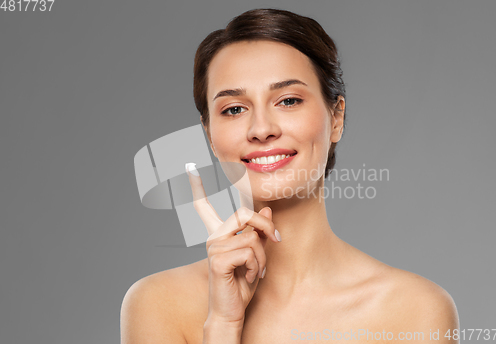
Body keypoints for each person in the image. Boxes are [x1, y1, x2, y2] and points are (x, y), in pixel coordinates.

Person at [121, 8, 459, 344]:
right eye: (234, 109)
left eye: (288, 100)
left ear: (336, 118)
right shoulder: (157, 304)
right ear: (209, 134)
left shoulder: (414, 311)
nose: (261, 129)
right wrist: (223, 324)